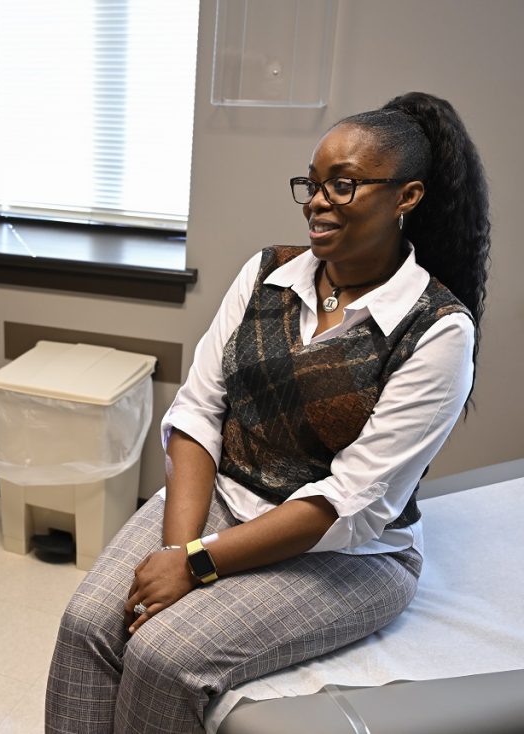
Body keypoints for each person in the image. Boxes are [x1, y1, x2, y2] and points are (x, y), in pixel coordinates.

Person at [45, 91, 491, 733]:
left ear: (407, 197)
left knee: (164, 656)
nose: (317, 202)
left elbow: (352, 501)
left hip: (346, 555)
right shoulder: (266, 274)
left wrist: (199, 564)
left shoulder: (438, 331)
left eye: (342, 186)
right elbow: (200, 410)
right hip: (224, 499)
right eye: (311, 185)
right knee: (87, 622)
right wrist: (182, 549)